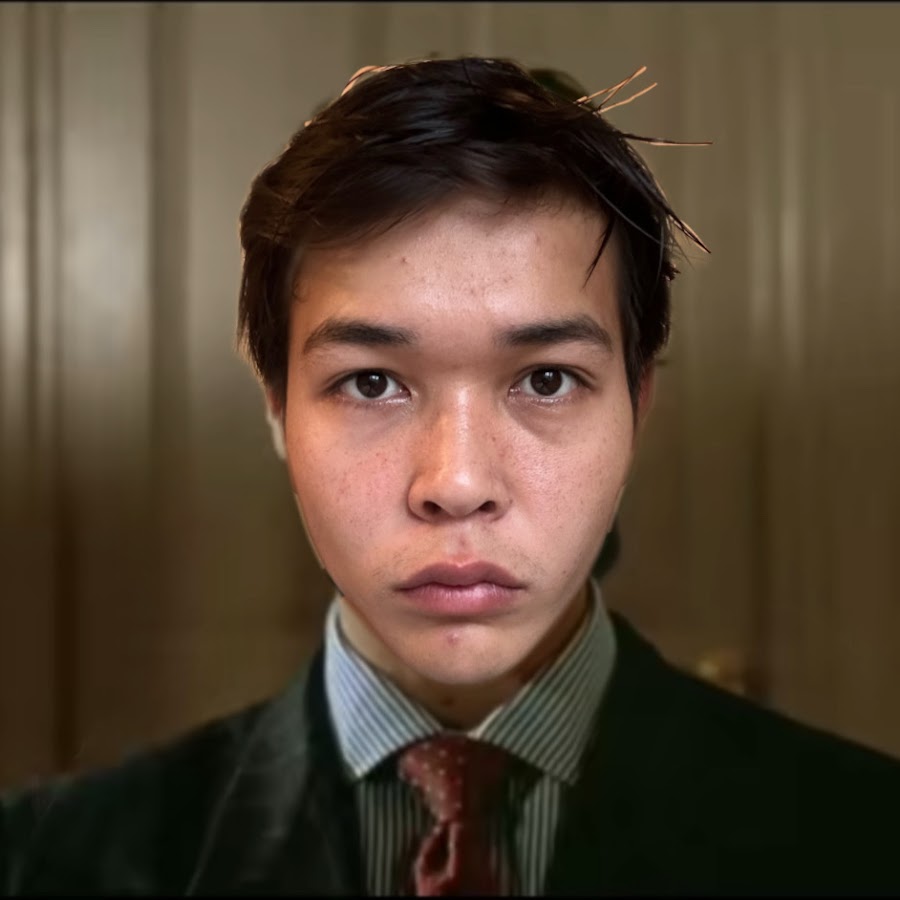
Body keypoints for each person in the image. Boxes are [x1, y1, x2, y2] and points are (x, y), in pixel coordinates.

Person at [2, 55, 900, 896]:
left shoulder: (865, 838)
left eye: (546, 380)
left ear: (638, 402)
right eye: (371, 383)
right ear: (277, 405)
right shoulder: (43, 863)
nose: (458, 482)